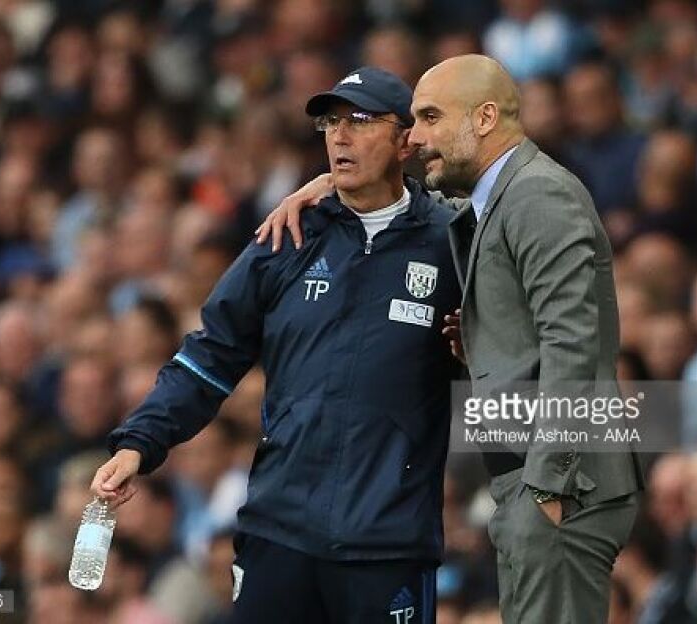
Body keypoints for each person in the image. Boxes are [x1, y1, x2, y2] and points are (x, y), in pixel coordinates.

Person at [257, 54, 644, 623]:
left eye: (431, 117)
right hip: (533, 479)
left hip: (563, 481)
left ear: (484, 118)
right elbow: (429, 207)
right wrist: (335, 182)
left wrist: (548, 486)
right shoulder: (497, 199)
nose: (414, 137)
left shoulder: (538, 194)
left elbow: (573, 345)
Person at [91, 66, 462, 624]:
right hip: (279, 531)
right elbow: (211, 355)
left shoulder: (452, 242)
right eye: (331, 122)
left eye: (361, 121)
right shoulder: (287, 235)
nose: (340, 135)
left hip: (387, 543)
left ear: (404, 139)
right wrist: (139, 443)